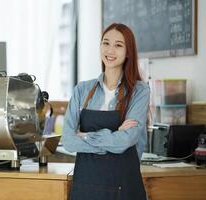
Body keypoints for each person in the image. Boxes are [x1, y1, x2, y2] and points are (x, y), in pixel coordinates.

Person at [62, 23, 150, 200]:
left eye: (118, 45)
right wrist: (115, 137)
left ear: (128, 52)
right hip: (85, 186)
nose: (110, 50)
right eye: (106, 43)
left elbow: (127, 140)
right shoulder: (82, 90)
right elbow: (69, 141)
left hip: (124, 186)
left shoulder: (140, 91)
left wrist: (85, 137)